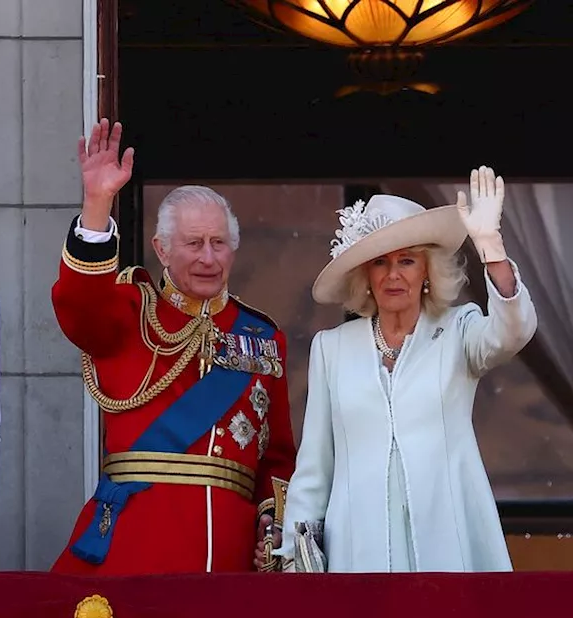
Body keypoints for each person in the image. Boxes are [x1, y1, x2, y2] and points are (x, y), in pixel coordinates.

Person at [49, 120, 297, 575]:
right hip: (135, 548)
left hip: (231, 556)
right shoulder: (129, 313)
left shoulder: (262, 338)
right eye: (194, 243)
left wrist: (271, 523)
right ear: (161, 250)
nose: (208, 257)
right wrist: (97, 204)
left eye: (219, 243)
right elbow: (79, 304)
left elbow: (277, 455)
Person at [279, 167, 538, 572]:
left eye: (407, 261)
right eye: (380, 262)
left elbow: (514, 331)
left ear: (427, 273)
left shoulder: (459, 330)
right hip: (357, 550)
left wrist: (490, 246)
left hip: (447, 544)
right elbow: (314, 467)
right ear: (366, 276)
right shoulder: (331, 348)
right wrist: (298, 555)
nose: (394, 274)